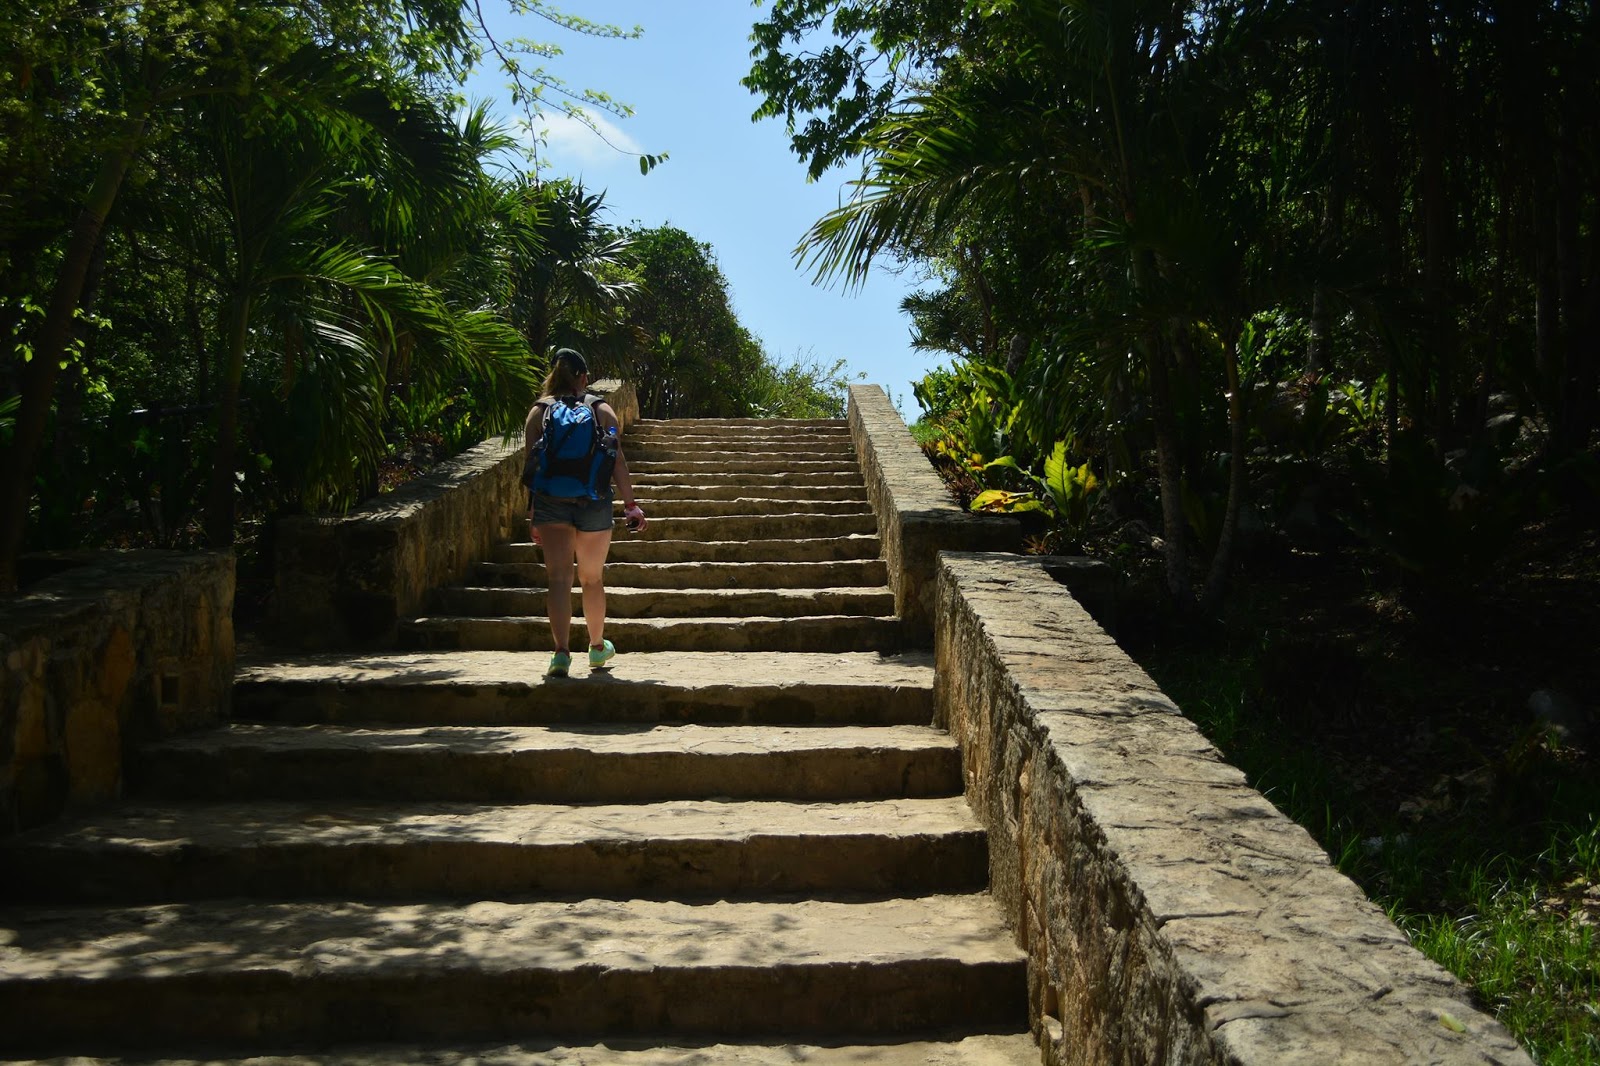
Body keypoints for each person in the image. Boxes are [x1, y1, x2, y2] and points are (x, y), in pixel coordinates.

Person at [523, 348, 646, 678]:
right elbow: (616, 461)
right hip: (594, 500)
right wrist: (630, 504)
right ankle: (596, 647)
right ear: (584, 377)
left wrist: (534, 512)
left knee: (558, 579)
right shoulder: (601, 409)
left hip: (550, 502)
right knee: (591, 579)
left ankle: (561, 654)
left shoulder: (538, 412)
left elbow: (531, 467)